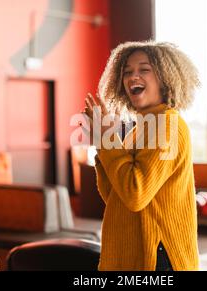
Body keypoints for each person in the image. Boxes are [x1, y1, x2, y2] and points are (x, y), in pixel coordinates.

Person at [81, 41, 200, 271]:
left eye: (144, 69)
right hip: (133, 254)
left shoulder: (166, 124)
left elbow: (135, 194)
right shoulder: (140, 128)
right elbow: (115, 197)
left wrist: (107, 140)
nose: (133, 77)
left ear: (166, 78)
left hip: (157, 257)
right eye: (127, 72)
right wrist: (102, 141)